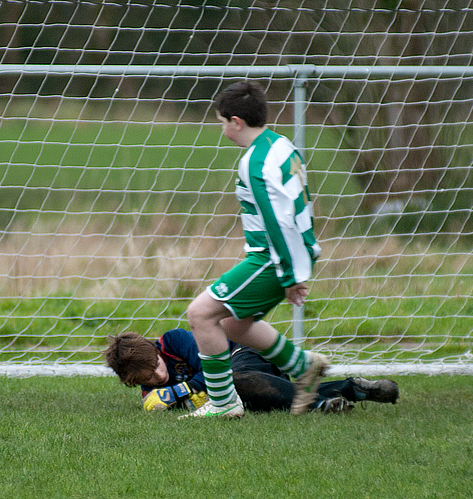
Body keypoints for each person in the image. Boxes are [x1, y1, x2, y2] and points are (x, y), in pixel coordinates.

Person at [180, 80, 345, 418]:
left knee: (200, 315)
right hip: (290, 253)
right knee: (233, 325)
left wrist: (288, 274)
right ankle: (303, 366)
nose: (222, 128)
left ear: (236, 122)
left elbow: (277, 221)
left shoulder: (255, 163)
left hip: (272, 258)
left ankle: (224, 404)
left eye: (222, 122)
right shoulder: (281, 144)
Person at [104, 329, 399, 413]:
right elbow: (155, 402)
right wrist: (156, 404)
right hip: (262, 384)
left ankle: (328, 399)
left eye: (156, 367)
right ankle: (346, 392)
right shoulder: (148, 385)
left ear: (156, 351)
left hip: (244, 355)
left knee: (232, 380)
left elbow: (212, 370)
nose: (158, 378)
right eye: (148, 380)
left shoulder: (173, 340)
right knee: (247, 402)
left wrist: (182, 391)